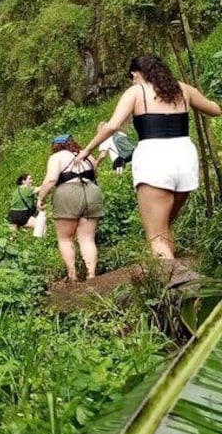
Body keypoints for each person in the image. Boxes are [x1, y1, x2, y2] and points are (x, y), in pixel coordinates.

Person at [76, 54, 220, 259]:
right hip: (185, 158)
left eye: (132, 76)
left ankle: (171, 287)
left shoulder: (136, 91)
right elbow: (215, 110)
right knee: (164, 225)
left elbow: (113, 125)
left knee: (157, 236)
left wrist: (87, 149)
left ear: (136, 73)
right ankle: (174, 278)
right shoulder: (183, 89)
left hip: (155, 159)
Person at [37, 134, 104, 282]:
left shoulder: (57, 157)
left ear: (56, 146)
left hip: (67, 193)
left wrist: (41, 197)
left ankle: (72, 276)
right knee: (87, 239)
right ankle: (91, 275)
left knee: (65, 238)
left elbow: (52, 179)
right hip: (92, 192)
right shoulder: (88, 157)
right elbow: (95, 175)